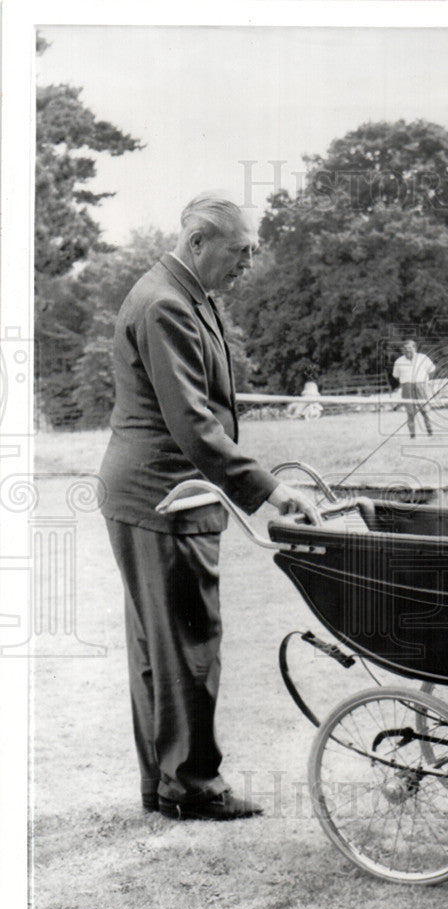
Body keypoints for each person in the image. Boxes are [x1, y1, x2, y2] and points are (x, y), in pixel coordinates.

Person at [99, 192, 316, 821]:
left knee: (156, 649)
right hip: (164, 495)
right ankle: (192, 788)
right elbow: (193, 424)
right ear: (198, 243)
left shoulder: (180, 293)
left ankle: (165, 784)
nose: (248, 263)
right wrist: (271, 489)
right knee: (188, 645)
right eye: (240, 251)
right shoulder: (166, 303)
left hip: (151, 494)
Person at [391, 338, 435, 437]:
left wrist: (425, 382)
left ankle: (430, 432)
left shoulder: (423, 358)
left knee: (425, 411)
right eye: (405, 348)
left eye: (410, 348)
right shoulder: (399, 361)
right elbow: (396, 376)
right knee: (410, 413)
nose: (408, 350)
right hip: (407, 388)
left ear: (415, 348)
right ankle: (412, 435)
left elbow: (432, 370)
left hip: (421, 385)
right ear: (402, 350)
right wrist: (407, 383)